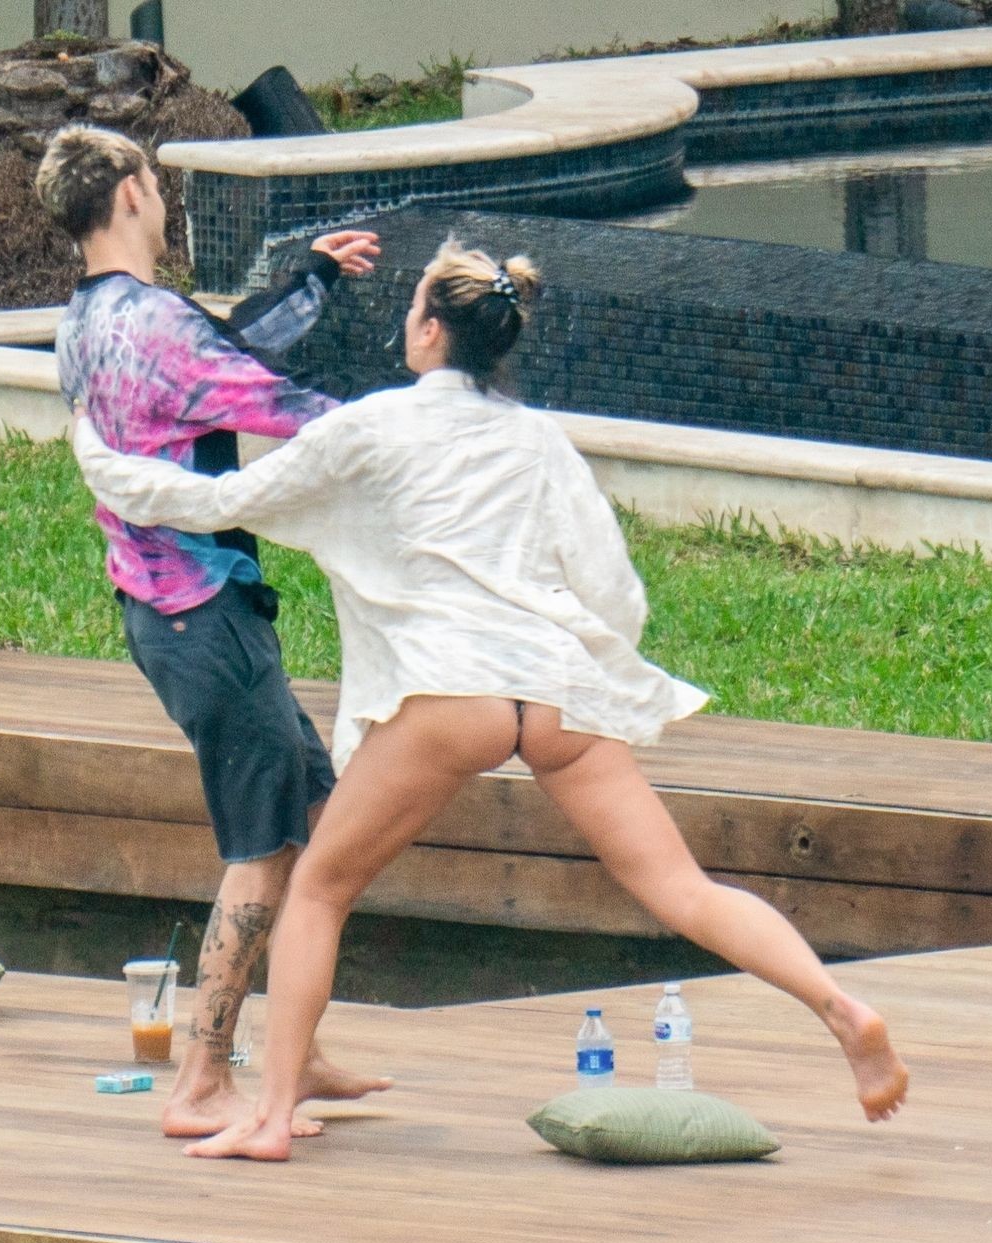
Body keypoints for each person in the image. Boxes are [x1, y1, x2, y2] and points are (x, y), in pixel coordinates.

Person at [71, 237, 911, 1161]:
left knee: (318, 889)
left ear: (432, 330)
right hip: (553, 694)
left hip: (450, 694)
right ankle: (841, 1008)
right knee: (681, 888)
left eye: (413, 309)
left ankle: (269, 1118)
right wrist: (584, 657)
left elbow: (217, 499)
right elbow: (616, 593)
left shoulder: (377, 425)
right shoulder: (538, 440)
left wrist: (96, 454)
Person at [36, 123, 390, 1137]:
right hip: (204, 619)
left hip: (168, 612)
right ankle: (202, 1078)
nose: (164, 195)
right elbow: (277, 400)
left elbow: (221, 353)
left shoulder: (86, 321)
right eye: (155, 178)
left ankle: (294, 1051)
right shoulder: (152, 327)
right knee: (264, 845)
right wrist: (428, 425)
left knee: (317, 818)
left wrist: (310, 279)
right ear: (131, 193)